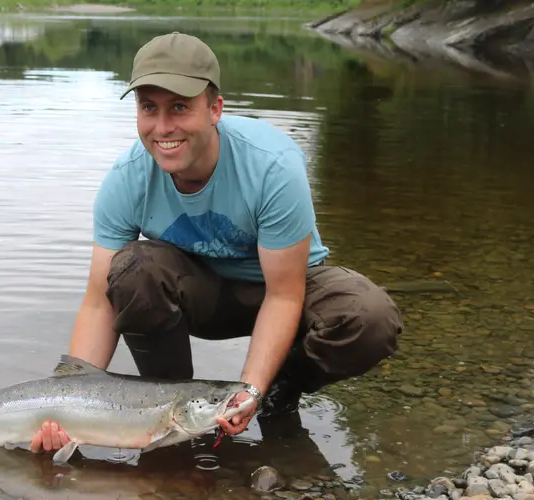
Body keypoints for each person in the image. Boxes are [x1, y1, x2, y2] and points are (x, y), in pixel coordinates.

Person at [28, 31, 403, 454]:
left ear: (215, 109)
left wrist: (252, 388)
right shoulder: (127, 178)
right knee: (134, 270)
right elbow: (99, 302)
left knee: (369, 318)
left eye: (180, 107)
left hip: (283, 291)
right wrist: (66, 404)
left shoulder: (273, 166)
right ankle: (167, 408)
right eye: (149, 107)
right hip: (199, 295)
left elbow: (284, 295)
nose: (162, 127)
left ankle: (280, 390)